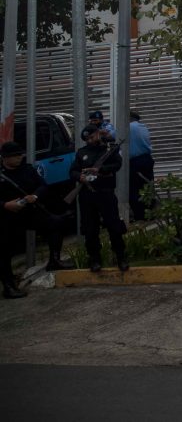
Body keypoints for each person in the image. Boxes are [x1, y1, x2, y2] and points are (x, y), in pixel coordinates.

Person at [1, 142, 73, 298]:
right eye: (16, 155)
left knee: (56, 223)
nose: (20, 157)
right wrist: (6, 205)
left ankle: (54, 260)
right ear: (6, 158)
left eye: (20, 155)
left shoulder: (27, 169)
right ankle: (8, 285)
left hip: (30, 212)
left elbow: (43, 185)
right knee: (5, 249)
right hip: (8, 216)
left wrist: (35, 196)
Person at [71, 125, 128, 272]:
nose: (90, 140)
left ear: (98, 134)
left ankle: (121, 257)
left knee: (114, 226)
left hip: (105, 192)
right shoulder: (81, 153)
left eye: (92, 137)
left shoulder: (109, 149)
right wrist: (80, 177)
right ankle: (94, 259)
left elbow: (117, 164)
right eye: (87, 139)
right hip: (87, 195)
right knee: (90, 229)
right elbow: (72, 171)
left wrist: (100, 170)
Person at [128, 110, 155, 222]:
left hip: (136, 162)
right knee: (148, 186)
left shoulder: (129, 127)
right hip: (147, 159)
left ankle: (140, 215)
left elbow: (112, 135)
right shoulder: (142, 126)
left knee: (133, 189)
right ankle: (150, 213)